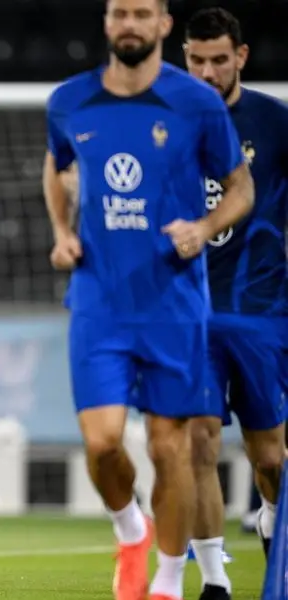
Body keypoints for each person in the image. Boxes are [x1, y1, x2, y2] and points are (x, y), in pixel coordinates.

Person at [43, 0, 255, 599]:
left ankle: (166, 580)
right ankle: (129, 527)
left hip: (174, 304)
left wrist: (205, 226)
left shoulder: (198, 103)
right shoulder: (69, 101)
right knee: (102, 443)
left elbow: (241, 187)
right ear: (107, 23)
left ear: (163, 24)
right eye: (118, 13)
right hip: (99, 302)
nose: (128, 23)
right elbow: (55, 167)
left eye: (142, 13)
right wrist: (62, 233)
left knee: (171, 447)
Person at [182, 8, 288, 599]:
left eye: (219, 59)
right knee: (198, 438)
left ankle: (272, 514)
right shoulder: (164, 122)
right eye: (196, 60)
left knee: (270, 455)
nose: (207, 71)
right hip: (188, 313)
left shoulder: (274, 123)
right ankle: (215, 581)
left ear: (240, 58)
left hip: (259, 312)